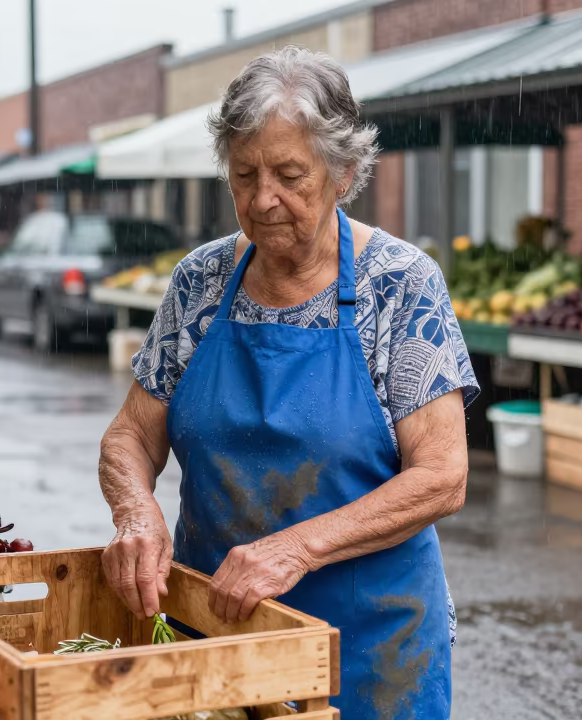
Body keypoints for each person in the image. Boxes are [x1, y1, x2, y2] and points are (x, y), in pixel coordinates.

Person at [97, 47, 477, 720]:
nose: (262, 198)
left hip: (369, 649)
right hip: (220, 634)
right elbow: (130, 434)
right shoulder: (201, 282)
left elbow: (442, 476)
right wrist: (136, 509)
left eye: (289, 174)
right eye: (244, 174)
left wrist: (295, 548)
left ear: (345, 173)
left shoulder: (401, 284)